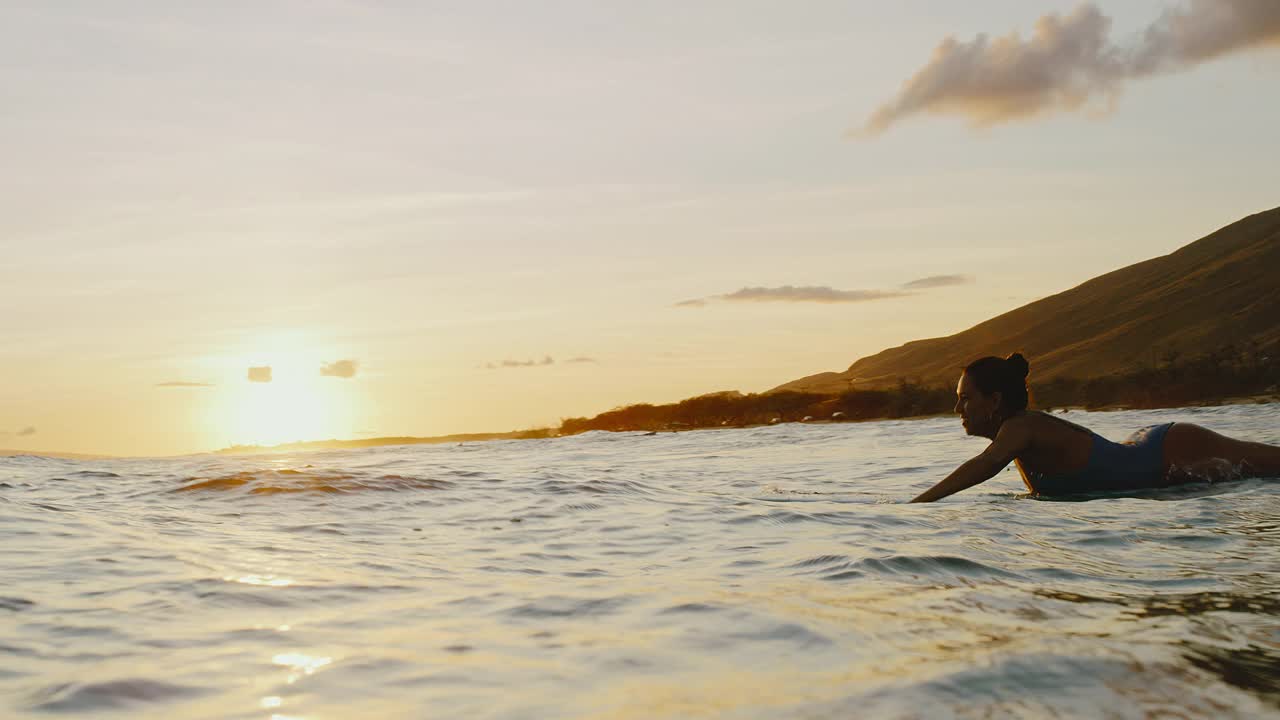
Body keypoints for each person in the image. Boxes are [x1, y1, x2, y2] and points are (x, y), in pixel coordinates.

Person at [910, 353, 1280, 502]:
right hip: (1150, 449)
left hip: (1173, 449)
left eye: (966, 398)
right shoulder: (1020, 436)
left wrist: (917, 505)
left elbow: (984, 465)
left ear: (993, 401)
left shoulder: (1020, 428)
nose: (958, 407)